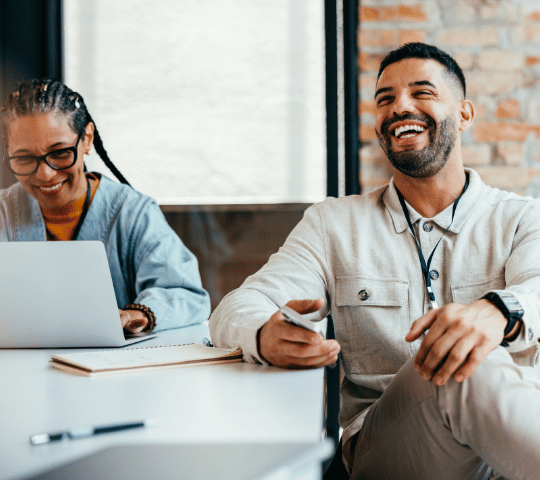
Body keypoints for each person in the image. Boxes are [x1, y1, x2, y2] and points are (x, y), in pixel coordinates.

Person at [209, 43, 540, 479]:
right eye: (385, 99)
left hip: (510, 450)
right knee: (462, 365)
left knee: (476, 356)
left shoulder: (520, 217)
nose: (400, 106)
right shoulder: (333, 224)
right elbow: (234, 309)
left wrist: (497, 311)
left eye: (422, 93)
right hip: (387, 449)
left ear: (464, 115)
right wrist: (264, 334)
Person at [0, 78, 210, 334]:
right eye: (23, 158)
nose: (45, 174)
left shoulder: (134, 212)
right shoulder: (4, 211)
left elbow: (185, 294)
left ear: (86, 139)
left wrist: (138, 313)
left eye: (60, 153)